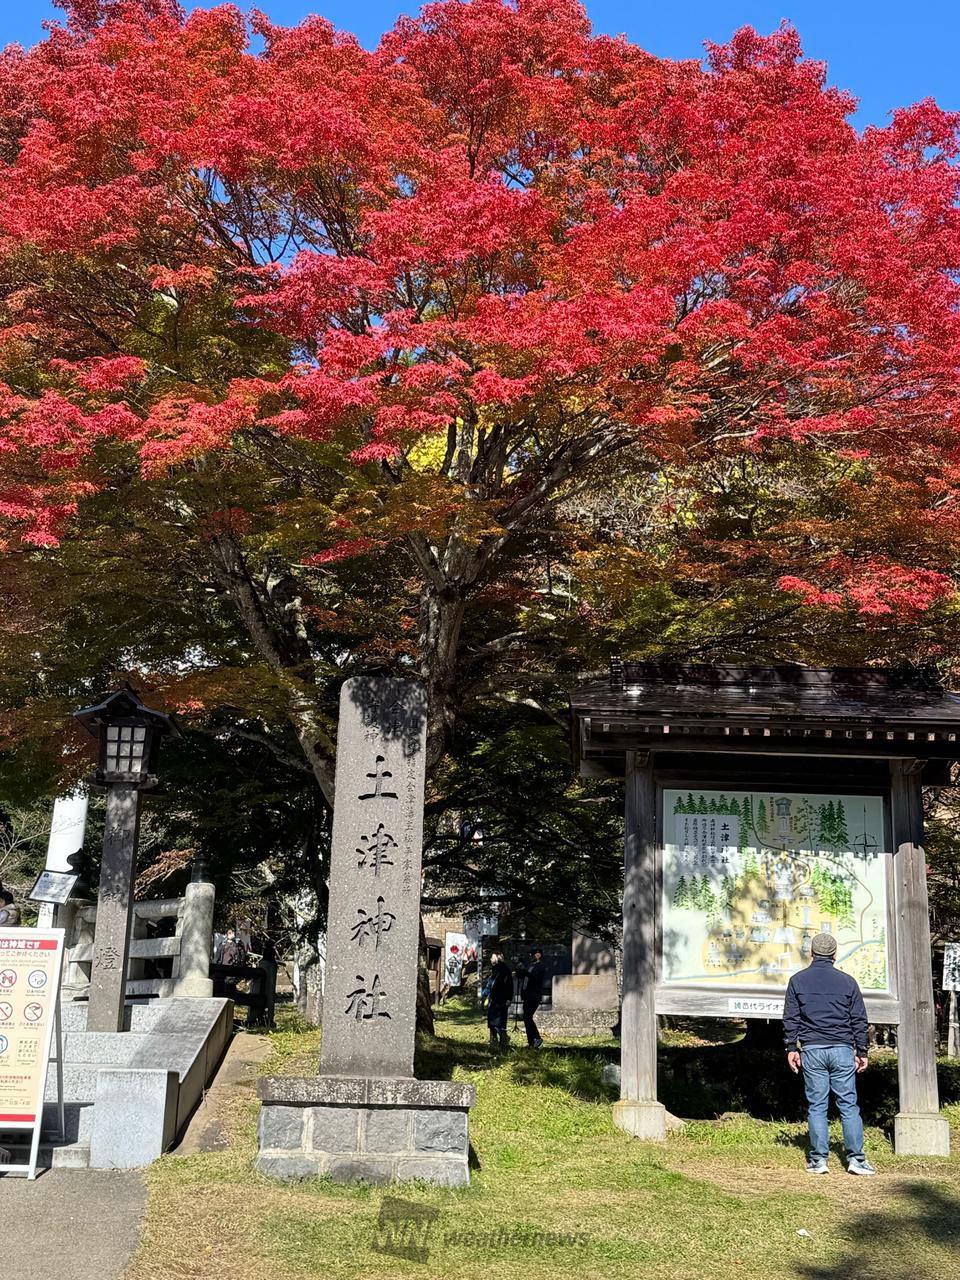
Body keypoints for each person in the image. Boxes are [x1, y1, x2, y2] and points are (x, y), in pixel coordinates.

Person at [783, 931, 875, 1176]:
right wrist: (862, 1051)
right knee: (848, 1105)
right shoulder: (848, 982)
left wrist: (791, 1048)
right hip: (842, 1049)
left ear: (811, 953)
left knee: (817, 1106)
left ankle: (818, 1160)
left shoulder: (797, 980)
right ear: (835, 955)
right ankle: (856, 1160)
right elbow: (859, 1020)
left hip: (812, 1050)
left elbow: (791, 1018)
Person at [517, 948, 546, 1048]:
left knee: (528, 1017)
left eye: (532, 955)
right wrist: (519, 968)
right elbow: (521, 976)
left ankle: (537, 1038)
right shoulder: (530, 966)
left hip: (534, 995)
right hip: (526, 995)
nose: (530, 957)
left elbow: (534, 978)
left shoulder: (540, 967)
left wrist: (524, 970)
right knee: (526, 1018)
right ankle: (531, 1042)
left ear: (538, 956)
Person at [485, 952, 513, 1050]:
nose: (491, 959)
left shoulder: (503, 969)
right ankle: (495, 1041)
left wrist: (509, 998)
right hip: (495, 998)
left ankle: (502, 1040)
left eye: (492, 957)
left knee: (498, 1021)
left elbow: (509, 985)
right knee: (493, 1021)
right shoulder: (496, 969)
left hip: (500, 998)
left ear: (497, 958)